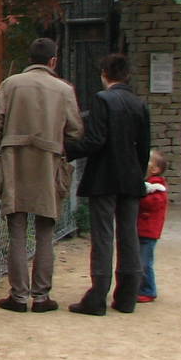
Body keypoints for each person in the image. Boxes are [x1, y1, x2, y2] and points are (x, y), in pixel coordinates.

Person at [0, 37, 83, 313]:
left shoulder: (11, 84)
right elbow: (76, 130)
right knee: (45, 230)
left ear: (30, 59)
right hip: (48, 163)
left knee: (16, 229)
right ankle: (41, 296)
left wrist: (2, 144)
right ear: (53, 61)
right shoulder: (64, 90)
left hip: (14, 162)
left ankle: (18, 295)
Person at [68, 53, 152, 315]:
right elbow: (145, 147)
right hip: (131, 176)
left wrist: (67, 148)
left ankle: (97, 296)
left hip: (104, 176)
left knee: (103, 235)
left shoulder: (102, 100)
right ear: (127, 75)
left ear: (105, 73)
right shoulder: (139, 104)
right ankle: (127, 295)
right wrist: (139, 173)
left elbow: (95, 141)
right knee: (128, 234)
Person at [137, 150, 169, 303]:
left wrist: (140, 195)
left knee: (144, 262)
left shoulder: (156, 186)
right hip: (143, 229)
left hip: (148, 231)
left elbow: (152, 203)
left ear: (155, 169)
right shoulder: (151, 184)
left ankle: (148, 290)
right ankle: (140, 287)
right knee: (140, 260)